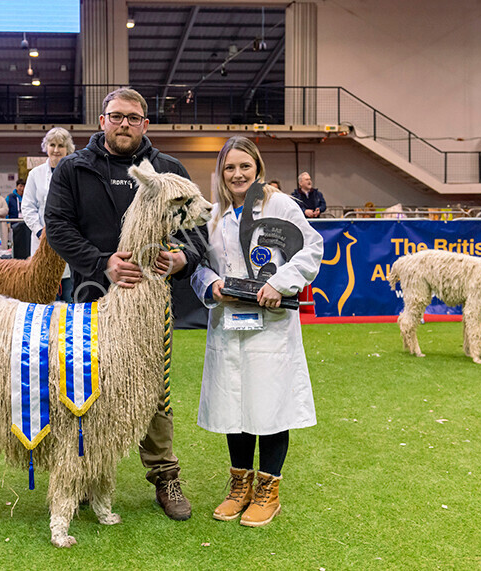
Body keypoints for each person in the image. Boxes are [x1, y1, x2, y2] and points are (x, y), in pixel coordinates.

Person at [45, 88, 208, 521]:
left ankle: (164, 474)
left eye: (133, 118)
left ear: (145, 124)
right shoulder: (74, 169)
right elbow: (57, 227)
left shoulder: (170, 171)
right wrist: (102, 263)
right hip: (90, 296)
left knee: (150, 389)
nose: (124, 124)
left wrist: (181, 258)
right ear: (102, 120)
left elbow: (198, 228)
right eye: (116, 116)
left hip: (149, 303)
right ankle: (81, 472)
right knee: (79, 384)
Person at [190, 136, 323, 527]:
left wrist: (280, 282)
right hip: (229, 323)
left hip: (272, 324)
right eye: (230, 168)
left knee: (269, 402)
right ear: (220, 173)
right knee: (235, 403)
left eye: (244, 166)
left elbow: (310, 248)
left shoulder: (280, 205)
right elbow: (199, 264)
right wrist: (211, 284)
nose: (237, 174)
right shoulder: (211, 215)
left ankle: (269, 490)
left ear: (258, 168)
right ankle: (240, 486)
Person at [23, 127, 75, 301]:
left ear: (67, 149)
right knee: (43, 297)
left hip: (68, 241)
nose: (56, 150)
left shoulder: (75, 174)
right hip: (41, 241)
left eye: (61, 145)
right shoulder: (34, 175)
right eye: (52, 145)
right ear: (46, 147)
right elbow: (28, 207)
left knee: (68, 294)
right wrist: (39, 231)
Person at [6, 178, 31, 259]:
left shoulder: (28, 197)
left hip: (26, 223)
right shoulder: (10, 197)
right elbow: (6, 210)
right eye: (20, 186)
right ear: (16, 187)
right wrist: (7, 223)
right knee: (14, 242)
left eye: (24, 186)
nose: (22, 188)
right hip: (14, 223)